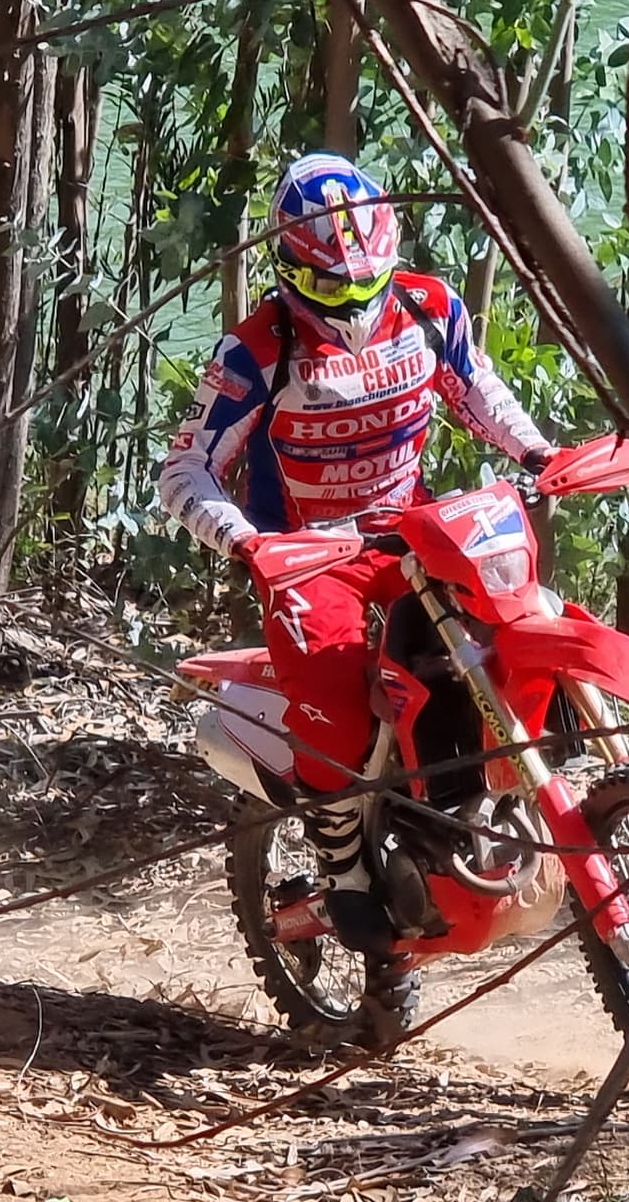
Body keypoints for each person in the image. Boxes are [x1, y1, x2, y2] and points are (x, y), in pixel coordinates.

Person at [162, 152, 565, 943]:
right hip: (306, 556)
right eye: (329, 285)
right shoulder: (256, 351)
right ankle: (343, 865)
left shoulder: (426, 307)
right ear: (288, 269)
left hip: (414, 533)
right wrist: (245, 542)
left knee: (521, 621)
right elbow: (184, 470)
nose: (351, 299)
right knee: (341, 710)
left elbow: (476, 386)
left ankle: (522, 793)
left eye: (366, 280)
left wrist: (538, 453)